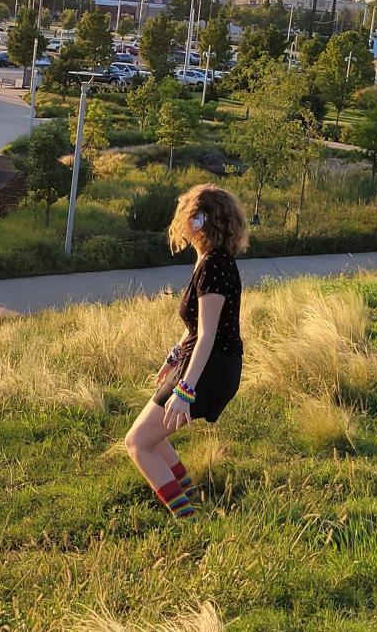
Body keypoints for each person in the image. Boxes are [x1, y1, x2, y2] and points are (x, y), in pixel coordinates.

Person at [124, 184, 248, 520]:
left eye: (188, 216)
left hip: (208, 368)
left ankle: (188, 521)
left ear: (200, 222)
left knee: (137, 442)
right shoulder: (211, 262)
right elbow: (197, 327)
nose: (182, 223)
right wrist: (174, 356)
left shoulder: (214, 267)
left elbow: (208, 335)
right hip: (201, 363)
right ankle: (191, 496)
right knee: (153, 435)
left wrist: (185, 390)